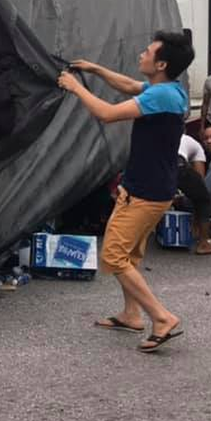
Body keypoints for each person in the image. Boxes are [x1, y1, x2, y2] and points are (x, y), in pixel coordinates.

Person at [58, 31, 194, 352]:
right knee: (130, 254)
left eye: (147, 52)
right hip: (150, 188)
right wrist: (95, 70)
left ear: (160, 63)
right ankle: (131, 314)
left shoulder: (162, 96)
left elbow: (106, 114)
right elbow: (129, 86)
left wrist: (76, 86)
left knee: (114, 256)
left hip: (145, 192)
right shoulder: (169, 89)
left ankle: (161, 317)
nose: (140, 55)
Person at [175, 133, 211, 255]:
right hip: (177, 163)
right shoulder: (196, 146)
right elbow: (200, 180)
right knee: (203, 200)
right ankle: (204, 244)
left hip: (153, 162)